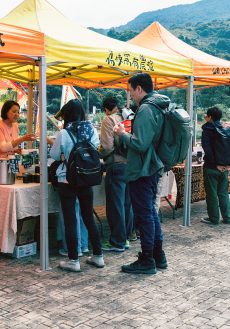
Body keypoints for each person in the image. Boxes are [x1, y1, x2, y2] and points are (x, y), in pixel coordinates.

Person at [115, 73, 168, 274]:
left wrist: (122, 134)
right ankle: (158, 256)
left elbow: (140, 143)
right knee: (150, 213)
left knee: (145, 215)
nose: (131, 96)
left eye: (131, 91)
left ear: (139, 89)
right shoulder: (158, 106)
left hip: (143, 169)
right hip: (152, 167)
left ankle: (147, 259)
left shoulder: (146, 109)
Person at [50, 99, 104, 272]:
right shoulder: (92, 131)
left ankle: (73, 260)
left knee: (70, 220)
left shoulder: (64, 133)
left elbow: (56, 155)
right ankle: (98, 256)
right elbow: (95, 150)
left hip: (67, 180)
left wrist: (65, 155)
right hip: (86, 179)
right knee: (88, 218)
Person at [99, 97, 132, 253]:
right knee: (127, 203)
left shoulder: (109, 120)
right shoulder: (130, 116)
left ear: (107, 109)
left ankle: (117, 242)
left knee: (115, 205)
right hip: (130, 165)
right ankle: (126, 237)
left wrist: (97, 152)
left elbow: (106, 147)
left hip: (116, 165)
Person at [0, 100, 36, 172]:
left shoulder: (15, 127)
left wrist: (15, 150)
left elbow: (10, 145)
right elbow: (3, 148)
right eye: (14, 111)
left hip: (9, 165)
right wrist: (23, 139)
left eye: (18, 112)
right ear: (6, 111)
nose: (17, 114)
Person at [201, 107, 230, 225]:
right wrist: (226, 165)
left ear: (209, 117)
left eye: (206, 116)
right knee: (223, 193)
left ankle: (214, 219)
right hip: (224, 168)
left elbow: (207, 149)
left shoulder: (207, 130)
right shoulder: (224, 130)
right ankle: (228, 218)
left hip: (211, 167)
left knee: (211, 194)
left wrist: (215, 165)